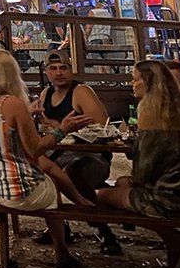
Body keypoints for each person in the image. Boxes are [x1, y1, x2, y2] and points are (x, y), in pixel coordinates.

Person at [0, 49, 92, 268]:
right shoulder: (14, 104)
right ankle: (61, 251)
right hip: (15, 191)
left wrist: (27, 115)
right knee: (50, 184)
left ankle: (77, 203)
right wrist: (62, 130)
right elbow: (35, 148)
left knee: (44, 167)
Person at [31, 51, 121, 255]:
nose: (58, 73)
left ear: (71, 70)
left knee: (73, 173)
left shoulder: (81, 92)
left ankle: (104, 230)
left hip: (91, 155)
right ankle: (59, 226)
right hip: (61, 153)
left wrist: (59, 127)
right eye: (53, 69)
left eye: (64, 68)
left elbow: (103, 127)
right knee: (41, 169)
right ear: (46, 72)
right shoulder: (46, 94)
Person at [98, 62, 180, 240]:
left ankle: (171, 238)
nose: (132, 84)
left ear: (148, 84)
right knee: (121, 182)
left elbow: (142, 175)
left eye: (135, 80)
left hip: (169, 200)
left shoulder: (151, 119)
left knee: (103, 194)